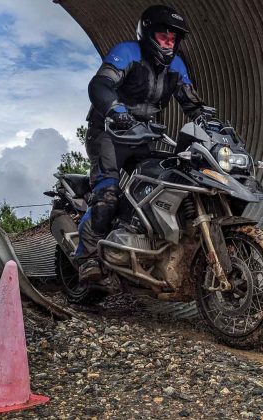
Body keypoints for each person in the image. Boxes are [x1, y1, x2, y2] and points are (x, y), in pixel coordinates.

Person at [74, 5, 209, 286]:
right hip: (108, 133)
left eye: (173, 39)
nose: (168, 42)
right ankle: (86, 259)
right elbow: (100, 85)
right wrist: (114, 110)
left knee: (160, 184)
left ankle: (139, 245)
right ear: (147, 33)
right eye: (163, 36)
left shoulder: (177, 66)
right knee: (108, 194)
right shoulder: (127, 52)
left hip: (143, 136)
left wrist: (211, 124)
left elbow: (191, 103)